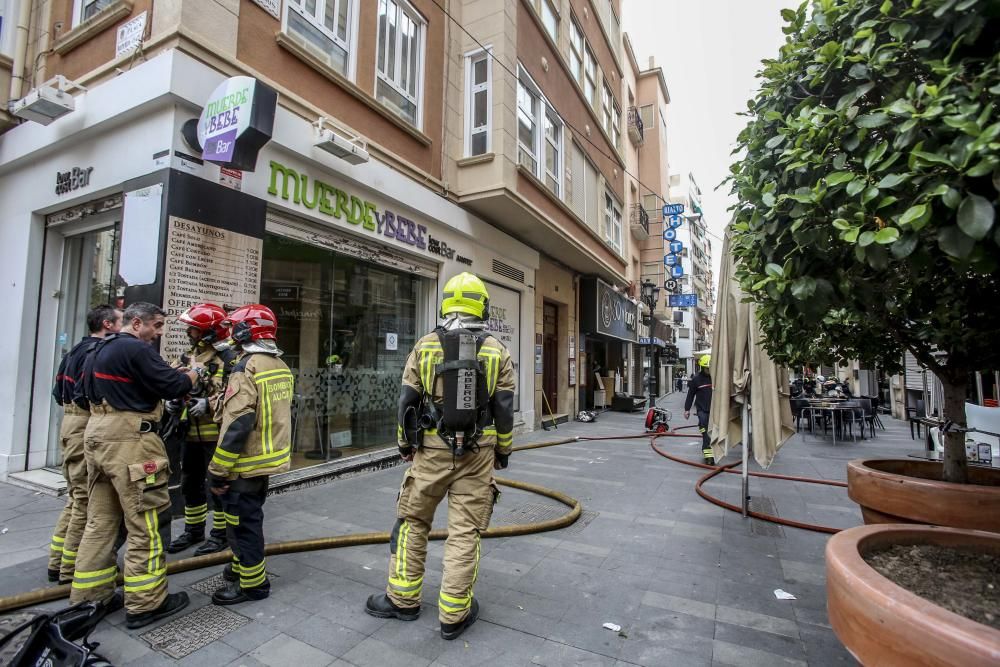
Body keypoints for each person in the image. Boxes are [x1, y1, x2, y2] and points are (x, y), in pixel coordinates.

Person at [365, 272, 516, 641]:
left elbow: (407, 400)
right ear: (481, 305)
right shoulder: (498, 350)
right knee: (465, 530)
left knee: (413, 521)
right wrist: (504, 451)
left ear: (446, 303)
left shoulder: (426, 345)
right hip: (478, 454)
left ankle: (402, 600)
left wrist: (405, 444)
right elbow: (505, 409)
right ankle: (454, 613)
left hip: (430, 451)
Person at [69, 302, 200, 629]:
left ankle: (90, 598)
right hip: (131, 443)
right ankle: (146, 603)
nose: (158, 333)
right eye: (156, 326)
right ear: (137, 322)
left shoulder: (98, 350)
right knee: (147, 522)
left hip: (96, 437)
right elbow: (175, 386)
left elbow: (83, 395)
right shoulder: (136, 349)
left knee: (100, 521)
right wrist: (194, 373)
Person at [207, 304, 293, 606]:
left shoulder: (247, 367)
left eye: (235, 328)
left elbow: (238, 422)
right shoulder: (279, 365)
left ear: (247, 330)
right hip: (265, 461)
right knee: (249, 520)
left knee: (243, 526)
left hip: (243, 464)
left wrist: (218, 469)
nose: (231, 333)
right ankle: (240, 566)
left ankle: (253, 585)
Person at [47, 305, 123, 584]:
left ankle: (58, 563)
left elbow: (58, 393)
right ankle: (71, 570)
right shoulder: (96, 353)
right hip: (85, 423)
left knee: (75, 497)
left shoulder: (74, 353)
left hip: (70, 424)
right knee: (87, 502)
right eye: (120, 322)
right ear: (108, 324)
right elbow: (87, 394)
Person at [166, 303, 237, 556]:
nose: (190, 333)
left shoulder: (230, 358)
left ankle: (220, 535)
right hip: (189, 432)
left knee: (217, 486)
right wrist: (172, 400)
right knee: (190, 484)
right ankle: (193, 530)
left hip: (215, 434)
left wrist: (209, 403)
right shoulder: (189, 356)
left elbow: (235, 396)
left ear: (209, 332)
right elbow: (174, 381)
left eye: (194, 329)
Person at [684, 355, 715, 465]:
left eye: (710, 368)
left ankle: (711, 451)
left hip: (714, 410)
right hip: (702, 409)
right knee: (705, 431)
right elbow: (690, 395)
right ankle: (709, 456)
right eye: (707, 368)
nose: (709, 370)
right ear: (702, 367)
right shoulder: (696, 379)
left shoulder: (715, 378)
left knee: (712, 433)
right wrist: (687, 409)